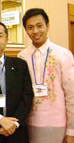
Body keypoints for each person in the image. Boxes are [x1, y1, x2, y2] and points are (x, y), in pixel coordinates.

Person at [18, 8, 74, 143]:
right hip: (29, 122)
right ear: (26, 30)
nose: (35, 31)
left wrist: (71, 130)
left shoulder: (63, 54)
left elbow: (71, 94)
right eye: (30, 27)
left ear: (47, 26)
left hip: (57, 123)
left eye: (39, 26)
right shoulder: (22, 56)